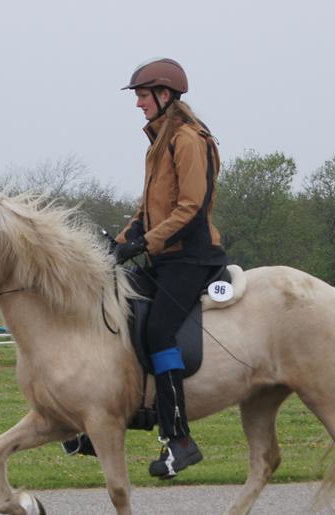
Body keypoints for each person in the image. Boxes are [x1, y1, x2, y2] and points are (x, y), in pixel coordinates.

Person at [114, 57, 229, 479]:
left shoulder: (188, 140)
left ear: (165, 95)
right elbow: (148, 210)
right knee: (115, 309)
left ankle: (179, 438)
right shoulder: (157, 143)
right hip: (162, 256)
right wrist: (121, 242)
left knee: (160, 331)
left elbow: (191, 208)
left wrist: (146, 243)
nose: (139, 104)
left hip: (191, 258)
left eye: (143, 95)